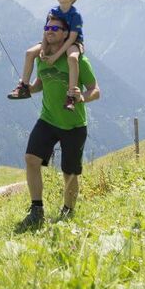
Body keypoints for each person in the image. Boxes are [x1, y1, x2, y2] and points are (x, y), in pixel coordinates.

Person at [16, 14, 100, 230]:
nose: (50, 31)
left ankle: (68, 210)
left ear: (66, 34)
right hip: (48, 119)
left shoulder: (79, 61)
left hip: (74, 125)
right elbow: (40, 84)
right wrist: (26, 88)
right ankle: (36, 209)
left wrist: (82, 96)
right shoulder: (42, 57)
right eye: (47, 27)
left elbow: (95, 91)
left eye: (55, 28)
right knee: (31, 159)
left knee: (69, 173)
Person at [9, 0, 84, 109]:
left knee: (72, 58)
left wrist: (55, 56)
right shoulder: (53, 11)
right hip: (53, 39)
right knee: (30, 53)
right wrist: (43, 49)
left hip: (74, 42)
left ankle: (71, 96)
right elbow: (46, 31)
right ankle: (24, 86)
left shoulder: (75, 14)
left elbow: (72, 38)